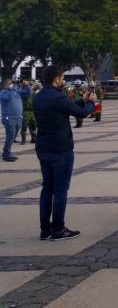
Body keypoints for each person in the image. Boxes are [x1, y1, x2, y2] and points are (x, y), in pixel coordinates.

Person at [33, 65, 94, 240]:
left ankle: (45, 229)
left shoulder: (38, 97)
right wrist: (90, 103)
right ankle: (58, 229)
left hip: (43, 148)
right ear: (56, 79)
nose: (63, 80)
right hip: (60, 150)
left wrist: (81, 100)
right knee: (60, 190)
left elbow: (67, 107)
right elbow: (81, 114)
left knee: (47, 189)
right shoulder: (58, 97)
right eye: (62, 78)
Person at [2, 78, 31, 161]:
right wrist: (14, 88)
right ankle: (6, 155)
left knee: (13, 136)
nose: (12, 84)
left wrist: (27, 85)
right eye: (10, 83)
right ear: (5, 85)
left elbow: (28, 93)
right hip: (9, 118)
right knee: (10, 136)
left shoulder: (16, 91)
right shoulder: (3, 92)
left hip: (18, 118)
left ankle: (8, 153)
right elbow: (9, 97)